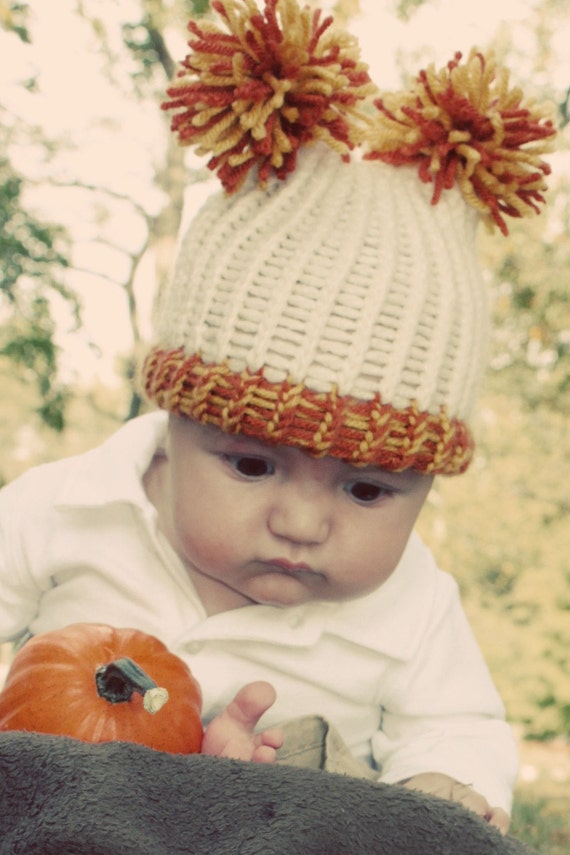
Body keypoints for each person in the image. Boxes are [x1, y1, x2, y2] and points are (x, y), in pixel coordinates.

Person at [0, 0, 556, 836]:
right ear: (179, 424)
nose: (301, 521)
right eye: (252, 465)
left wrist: (444, 777)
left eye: (368, 489)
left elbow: (460, 725)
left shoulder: (412, 603)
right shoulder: (62, 511)